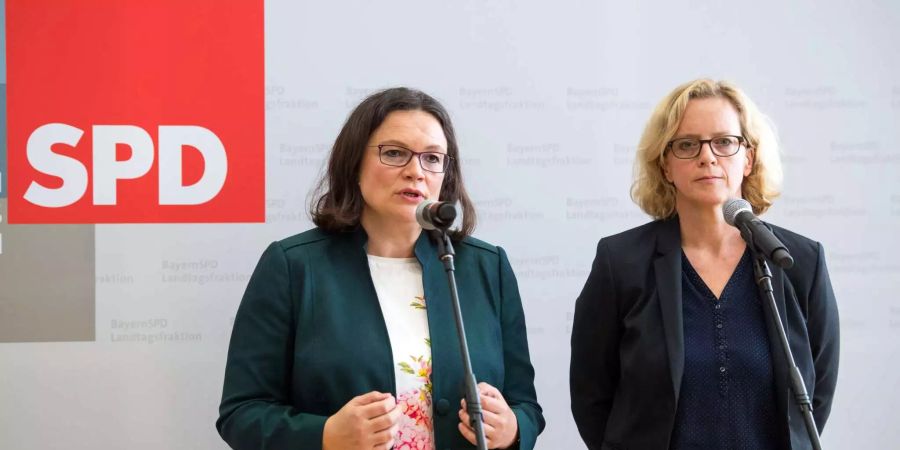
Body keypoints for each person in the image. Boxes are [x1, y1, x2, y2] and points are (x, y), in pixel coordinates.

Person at [217, 87, 544, 450]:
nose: (415, 172)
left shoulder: (486, 267)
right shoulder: (293, 266)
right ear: (354, 164)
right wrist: (324, 436)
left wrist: (513, 429)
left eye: (432, 158)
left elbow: (526, 407)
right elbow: (242, 413)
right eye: (394, 153)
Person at [569, 79, 839, 450]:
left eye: (724, 142)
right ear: (665, 164)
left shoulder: (796, 260)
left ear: (749, 158)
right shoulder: (620, 262)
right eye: (687, 144)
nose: (707, 157)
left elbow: (816, 395)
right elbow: (590, 393)